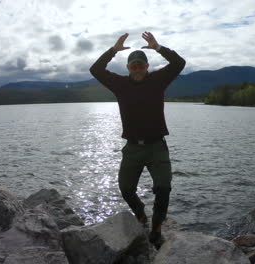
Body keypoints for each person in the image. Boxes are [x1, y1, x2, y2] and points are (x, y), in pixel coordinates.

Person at [89, 31, 186, 247]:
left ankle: (157, 226)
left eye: (140, 65)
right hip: (132, 148)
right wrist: (113, 50)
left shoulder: (158, 80)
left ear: (147, 66)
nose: (137, 68)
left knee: (163, 187)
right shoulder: (120, 84)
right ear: (128, 68)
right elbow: (95, 70)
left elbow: (179, 63)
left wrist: (159, 47)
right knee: (126, 189)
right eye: (133, 65)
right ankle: (141, 213)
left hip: (157, 147)